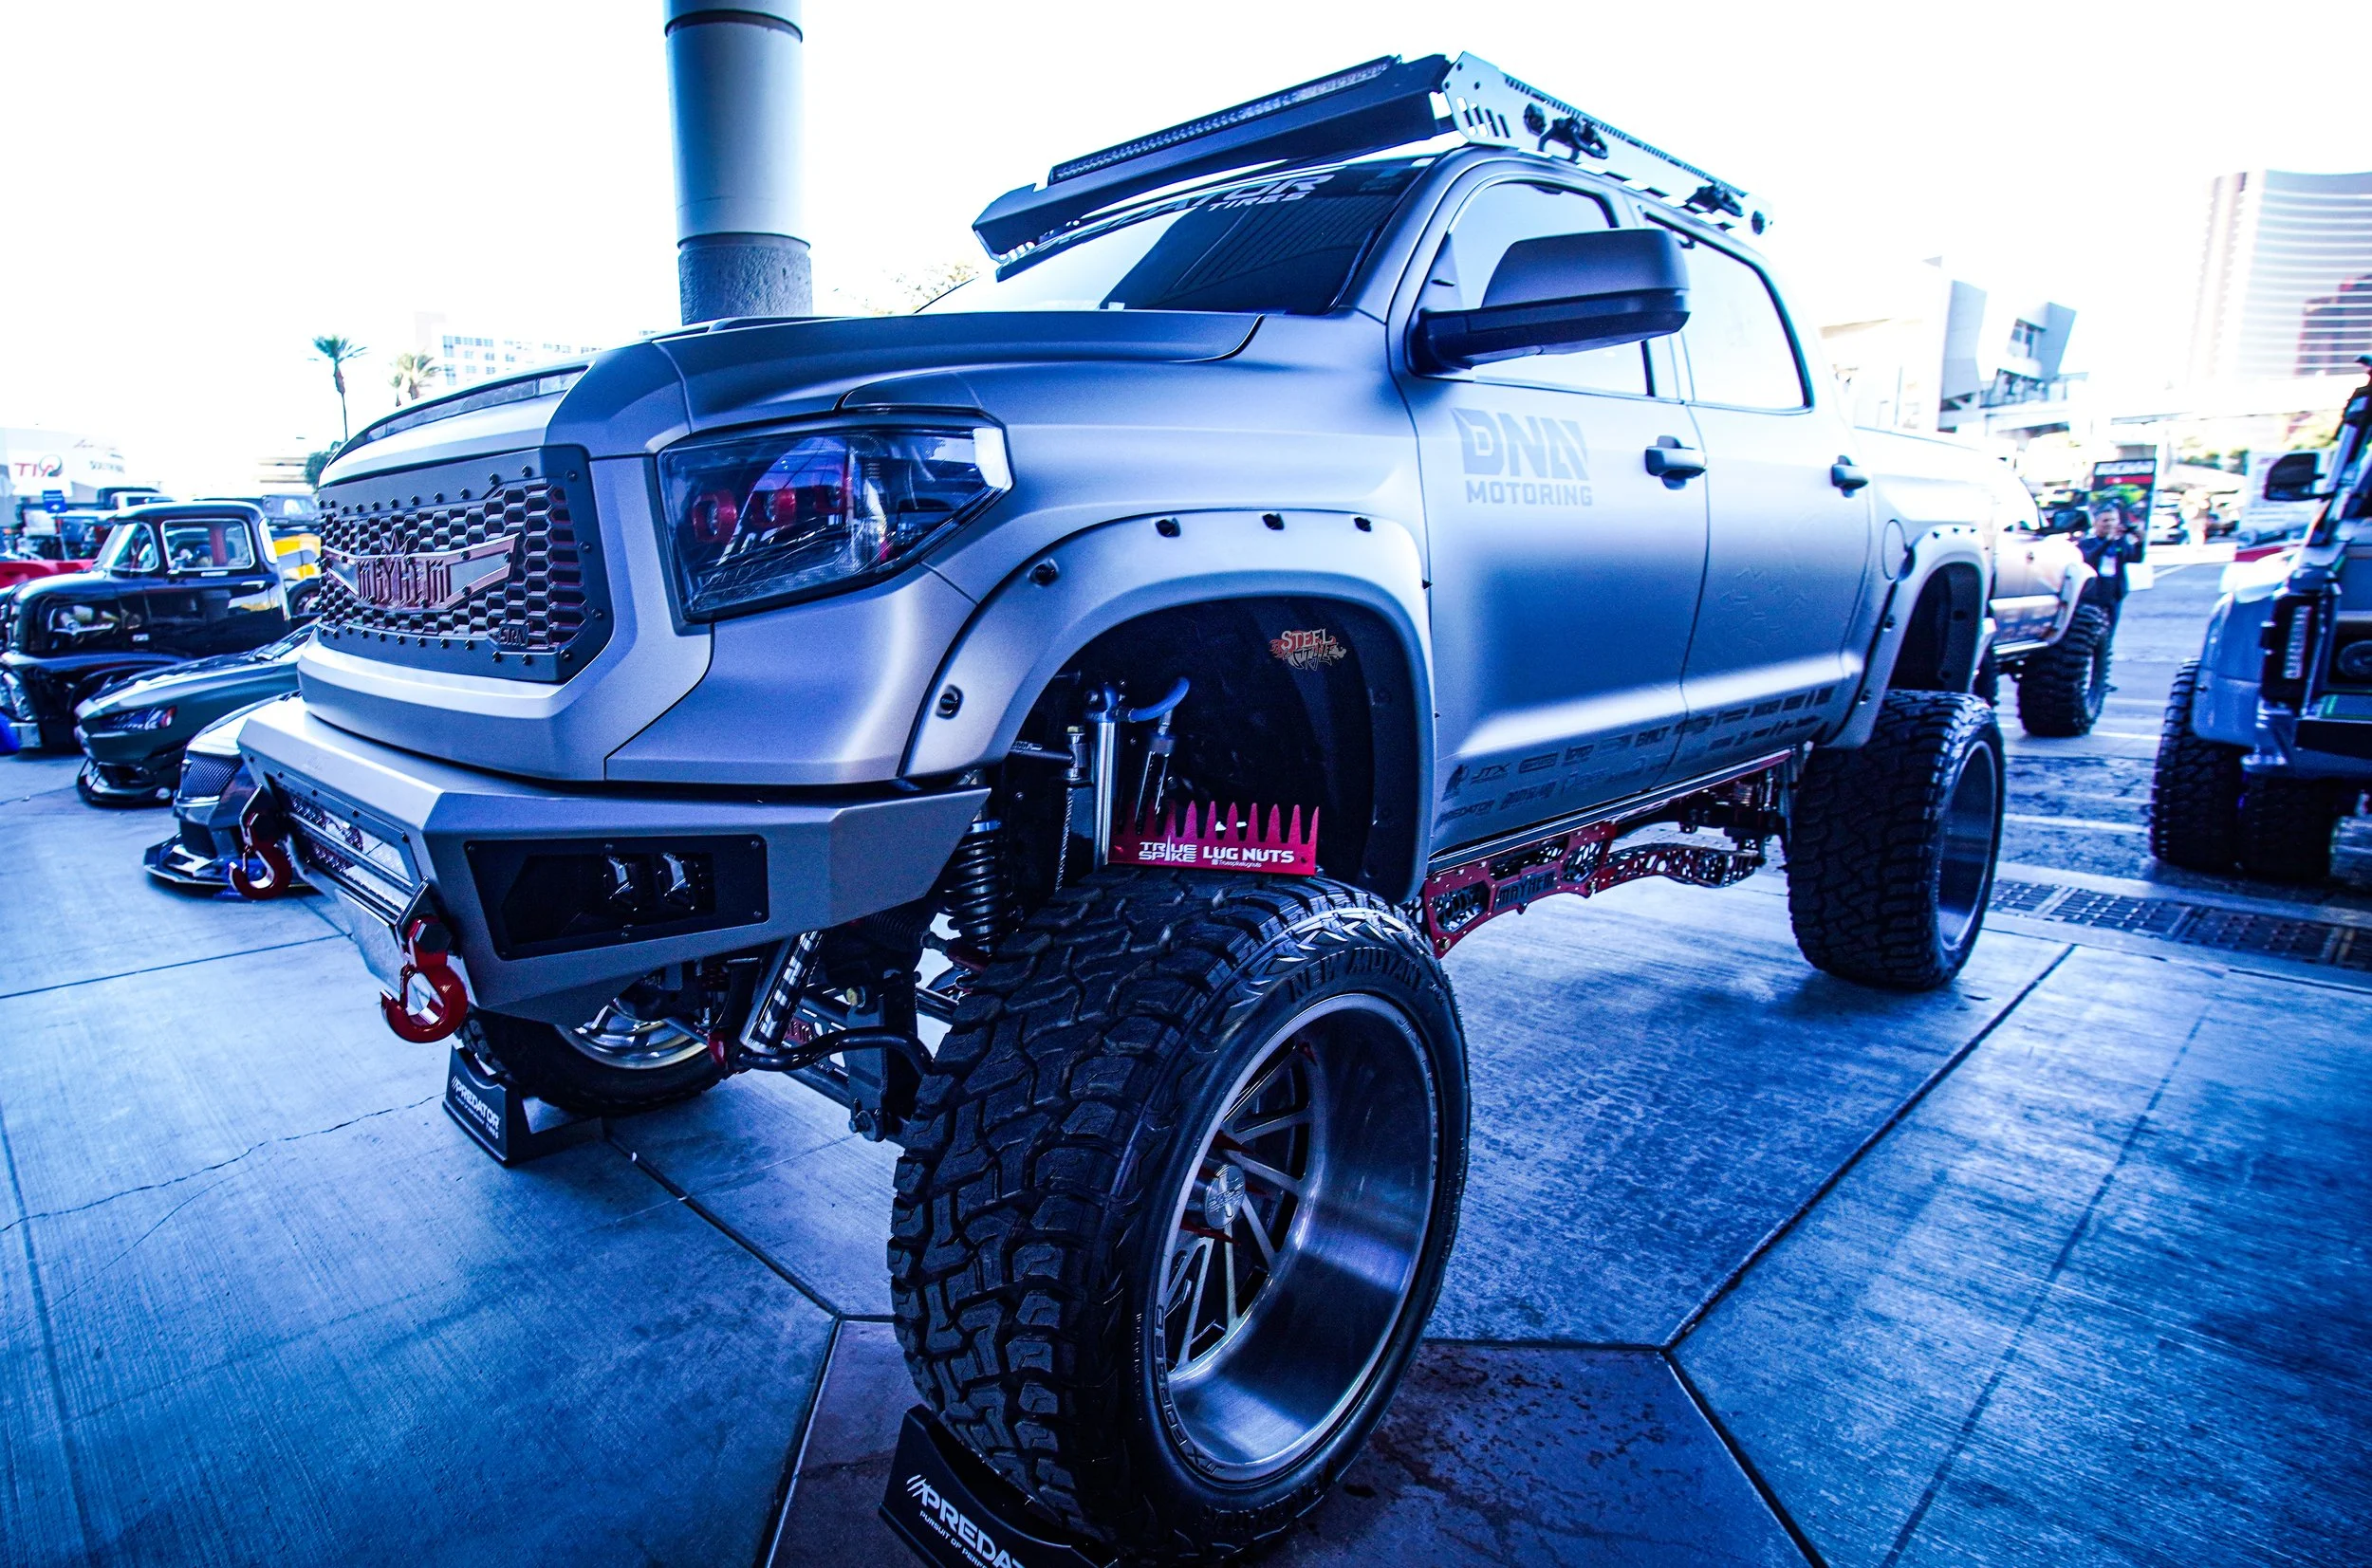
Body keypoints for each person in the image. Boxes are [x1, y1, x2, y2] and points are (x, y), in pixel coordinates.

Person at [2077, 500, 2146, 634]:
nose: (2109, 524)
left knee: (2110, 629)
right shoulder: (2087, 543)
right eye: (2105, 521)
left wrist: (2140, 542)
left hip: (2113, 592)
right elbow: (2090, 557)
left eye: (2113, 520)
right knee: (2090, 629)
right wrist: (2108, 540)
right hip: (2093, 593)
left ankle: (2106, 652)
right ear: (2096, 523)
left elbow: (2135, 558)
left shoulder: (2120, 543)